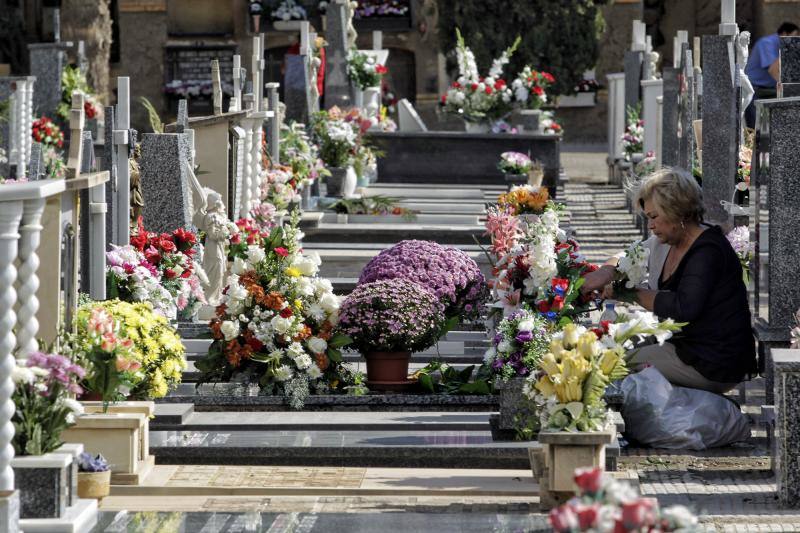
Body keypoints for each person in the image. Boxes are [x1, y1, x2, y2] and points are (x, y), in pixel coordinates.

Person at [581, 168, 757, 394]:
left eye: (654, 217)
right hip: (687, 347)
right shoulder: (668, 240)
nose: (651, 226)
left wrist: (627, 293)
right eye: (648, 218)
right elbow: (629, 255)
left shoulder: (707, 251)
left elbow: (683, 307)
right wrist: (605, 273)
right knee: (612, 345)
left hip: (712, 360)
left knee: (610, 363)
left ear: (678, 211)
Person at [744, 21, 800, 128]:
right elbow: (773, 70)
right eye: (795, 36)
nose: (796, 40)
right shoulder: (766, 43)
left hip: (769, 89)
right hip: (754, 89)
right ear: (784, 34)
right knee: (756, 128)